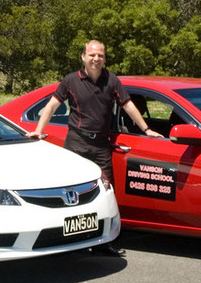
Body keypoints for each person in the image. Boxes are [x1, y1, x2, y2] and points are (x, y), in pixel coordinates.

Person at [27, 40, 163, 257]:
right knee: (69, 193)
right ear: (83, 57)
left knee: (104, 193)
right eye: (92, 55)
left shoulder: (112, 81)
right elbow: (52, 105)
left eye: (100, 55)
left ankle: (102, 242)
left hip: (101, 145)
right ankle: (65, 241)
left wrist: (146, 130)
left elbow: (128, 105)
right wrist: (38, 130)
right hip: (76, 142)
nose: (96, 59)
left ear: (104, 59)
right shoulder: (71, 80)